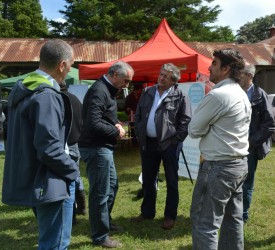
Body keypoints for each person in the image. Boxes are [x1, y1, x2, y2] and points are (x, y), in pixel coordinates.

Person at [2, 39, 79, 249]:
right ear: (62, 65)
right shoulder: (46, 95)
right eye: (71, 64)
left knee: (49, 238)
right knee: (55, 243)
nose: (70, 69)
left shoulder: (25, 89)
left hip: (35, 177)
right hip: (51, 179)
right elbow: (49, 148)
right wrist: (73, 171)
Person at [188, 48, 251, 250]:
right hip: (238, 165)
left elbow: (194, 129)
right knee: (233, 221)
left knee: (204, 223)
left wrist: (209, 126)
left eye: (214, 63)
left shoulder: (218, 95)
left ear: (226, 68)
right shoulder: (241, 94)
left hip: (219, 166)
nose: (209, 67)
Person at [79, 61, 134, 248]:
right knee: (101, 192)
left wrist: (116, 122)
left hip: (102, 146)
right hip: (96, 147)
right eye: (126, 80)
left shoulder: (106, 89)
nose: (127, 85)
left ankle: (104, 223)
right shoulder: (99, 90)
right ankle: (100, 236)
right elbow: (93, 123)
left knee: (111, 187)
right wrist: (116, 131)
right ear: (114, 75)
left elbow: (103, 115)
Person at [132, 63, 191, 230]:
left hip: (169, 145)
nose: (161, 77)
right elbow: (138, 116)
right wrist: (139, 134)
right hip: (149, 144)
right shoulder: (148, 92)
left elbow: (185, 120)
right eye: (161, 74)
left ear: (173, 80)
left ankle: (170, 216)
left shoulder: (180, 95)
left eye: (165, 76)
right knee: (148, 180)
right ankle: (147, 213)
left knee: (172, 181)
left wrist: (176, 140)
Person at [239, 64, 275, 223]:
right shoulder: (235, 93)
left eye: (240, 74)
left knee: (246, 182)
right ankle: (233, 212)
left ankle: (243, 215)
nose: (237, 77)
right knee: (233, 181)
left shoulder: (260, 95)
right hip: (233, 146)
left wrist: (251, 142)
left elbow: (269, 125)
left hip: (249, 148)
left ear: (249, 76)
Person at [59, 82, 86, 224]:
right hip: (75, 143)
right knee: (75, 176)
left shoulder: (58, 99)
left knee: (67, 179)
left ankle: (73, 214)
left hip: (65, 144)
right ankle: (81, 206)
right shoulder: (75, 99)